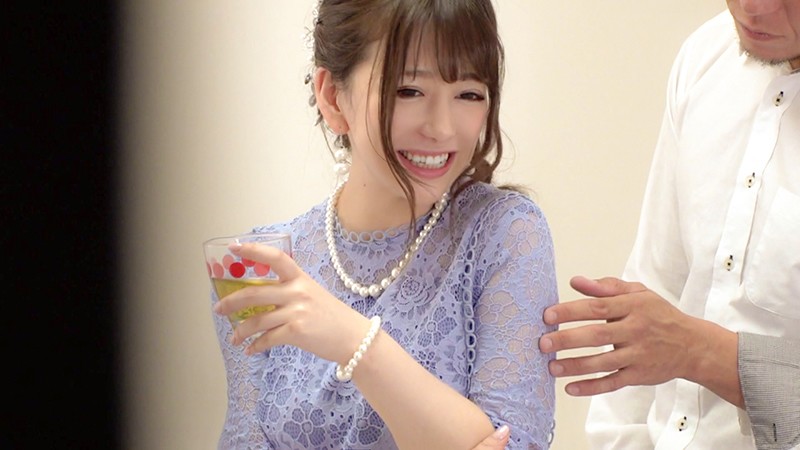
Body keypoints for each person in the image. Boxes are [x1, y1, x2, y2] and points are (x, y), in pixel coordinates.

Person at [210, 1, 558, 448]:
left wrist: (356, 341)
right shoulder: (263, 262)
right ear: (333, 97)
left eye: (469, 94)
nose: (442, 128)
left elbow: (513, 444)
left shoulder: (504, 234)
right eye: (408, 91)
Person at [527, 1, 800, 449]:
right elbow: (657, 284)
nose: (752, 7)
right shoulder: (706, 55)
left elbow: (670, 334)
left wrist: (701, 351)